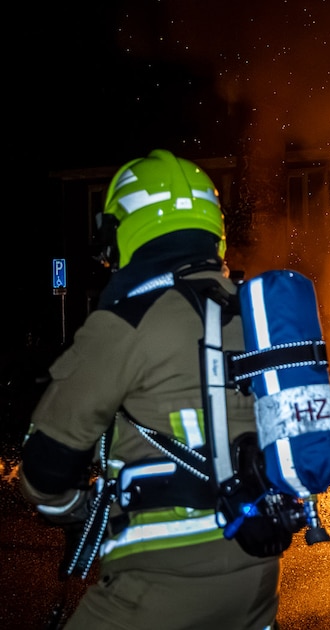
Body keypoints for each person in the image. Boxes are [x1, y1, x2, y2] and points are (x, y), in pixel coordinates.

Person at [19, 149, 281, 629]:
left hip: (158, 587)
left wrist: (80, 511)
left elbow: (44, 472)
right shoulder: (254, 316)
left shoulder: (125, 322)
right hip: (255, 579)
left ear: (129, 228)